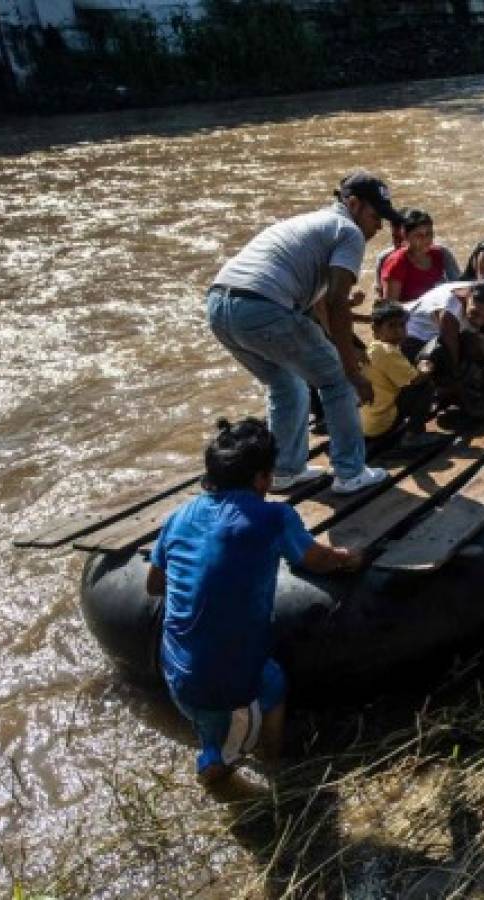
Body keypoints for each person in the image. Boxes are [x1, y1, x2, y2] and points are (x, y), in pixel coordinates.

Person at [146, 418, 364, 784]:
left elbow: (154, 586)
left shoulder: (179, 517)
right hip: (225, 686)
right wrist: (348, 557)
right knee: (271, 686)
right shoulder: (273, 517)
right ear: (263, 479)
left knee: (216, 715)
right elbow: (317, 559)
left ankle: (218, 747)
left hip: (175, 672)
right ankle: (268, 766)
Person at [206, 169, 393, 495]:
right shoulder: (347, 231)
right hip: (263, 306)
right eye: (376, 216)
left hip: (220, 307)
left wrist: (341, 346)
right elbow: (336, 304)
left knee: (285, 382)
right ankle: (350, 473)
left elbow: (320, 306)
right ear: (352, 203)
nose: (379, 227)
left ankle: (283, 470)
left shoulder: (312, 223)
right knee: (336, 381)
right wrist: (352, 371)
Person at [404, 281, 484, 419]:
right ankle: (443, 391)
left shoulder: (481, 289)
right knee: (454, 353)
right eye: (475, 313)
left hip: (442, 337)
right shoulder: (449, 312)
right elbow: (451, 361)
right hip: (413, 342)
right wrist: (466, 399)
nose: (479, 322)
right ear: (468, 297)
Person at [359, 303, 439, 450]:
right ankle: (414, 435)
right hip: (381, 423)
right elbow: (416, 380)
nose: (399, 331)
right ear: (376, 329)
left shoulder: (373, 347)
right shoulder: (387, 351)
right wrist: (426, 367)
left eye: (402, 326)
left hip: (367, 423)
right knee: (425, 387)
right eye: (392, 326)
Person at [374, 209, 461, 299]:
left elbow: (458, 285)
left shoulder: (440, 254)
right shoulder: (396, 262)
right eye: (419, 235)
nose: (425, 239)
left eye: (429, 234)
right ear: (405, 236)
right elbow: (390, 306)